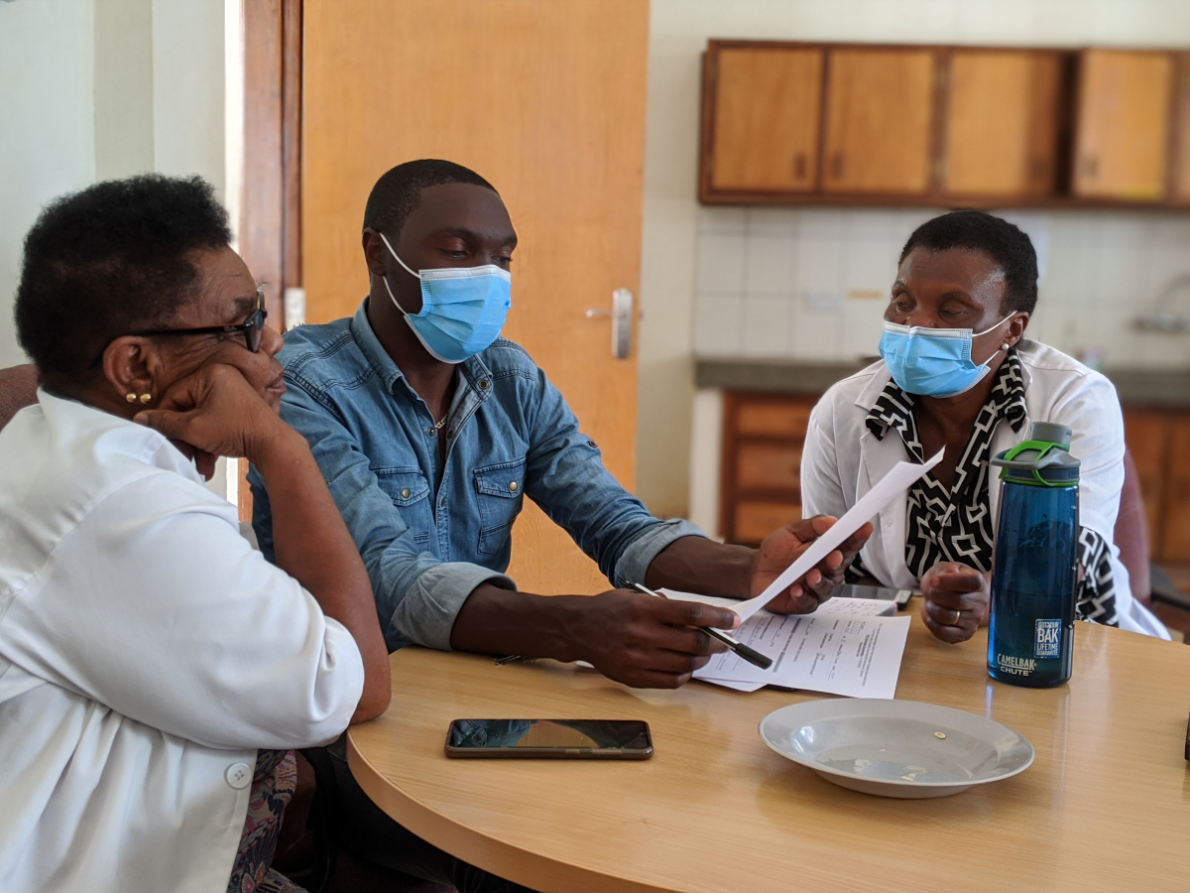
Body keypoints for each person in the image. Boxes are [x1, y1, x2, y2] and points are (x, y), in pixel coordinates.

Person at [248, 159, 869, 890]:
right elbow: (391, 577)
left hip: (478, 693)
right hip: (351, 715)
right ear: (377, 252)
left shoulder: (509, 377)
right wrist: (575, 630)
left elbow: (612, 520)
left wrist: (750, 569)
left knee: (655, 815)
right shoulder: (304, 384)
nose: (487, 274)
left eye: (502, 257)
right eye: (457, 250)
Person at [0, 175, 391, 893]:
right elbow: (353, 686)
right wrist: (283, 449)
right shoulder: (121, 504)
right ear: (136, 366)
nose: (272, 351)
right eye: (240, 328)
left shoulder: (61, 444)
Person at [801, 209, 1167, 643]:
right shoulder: (844, 408)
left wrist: (988, 597)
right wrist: (808, 573)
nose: (916, 324)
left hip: (1062, 635)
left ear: (1012, 328)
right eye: (903, 301)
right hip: (900, 641)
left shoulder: (1076, 397)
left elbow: (1070, 552)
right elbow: (827, 555)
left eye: (951, 310)